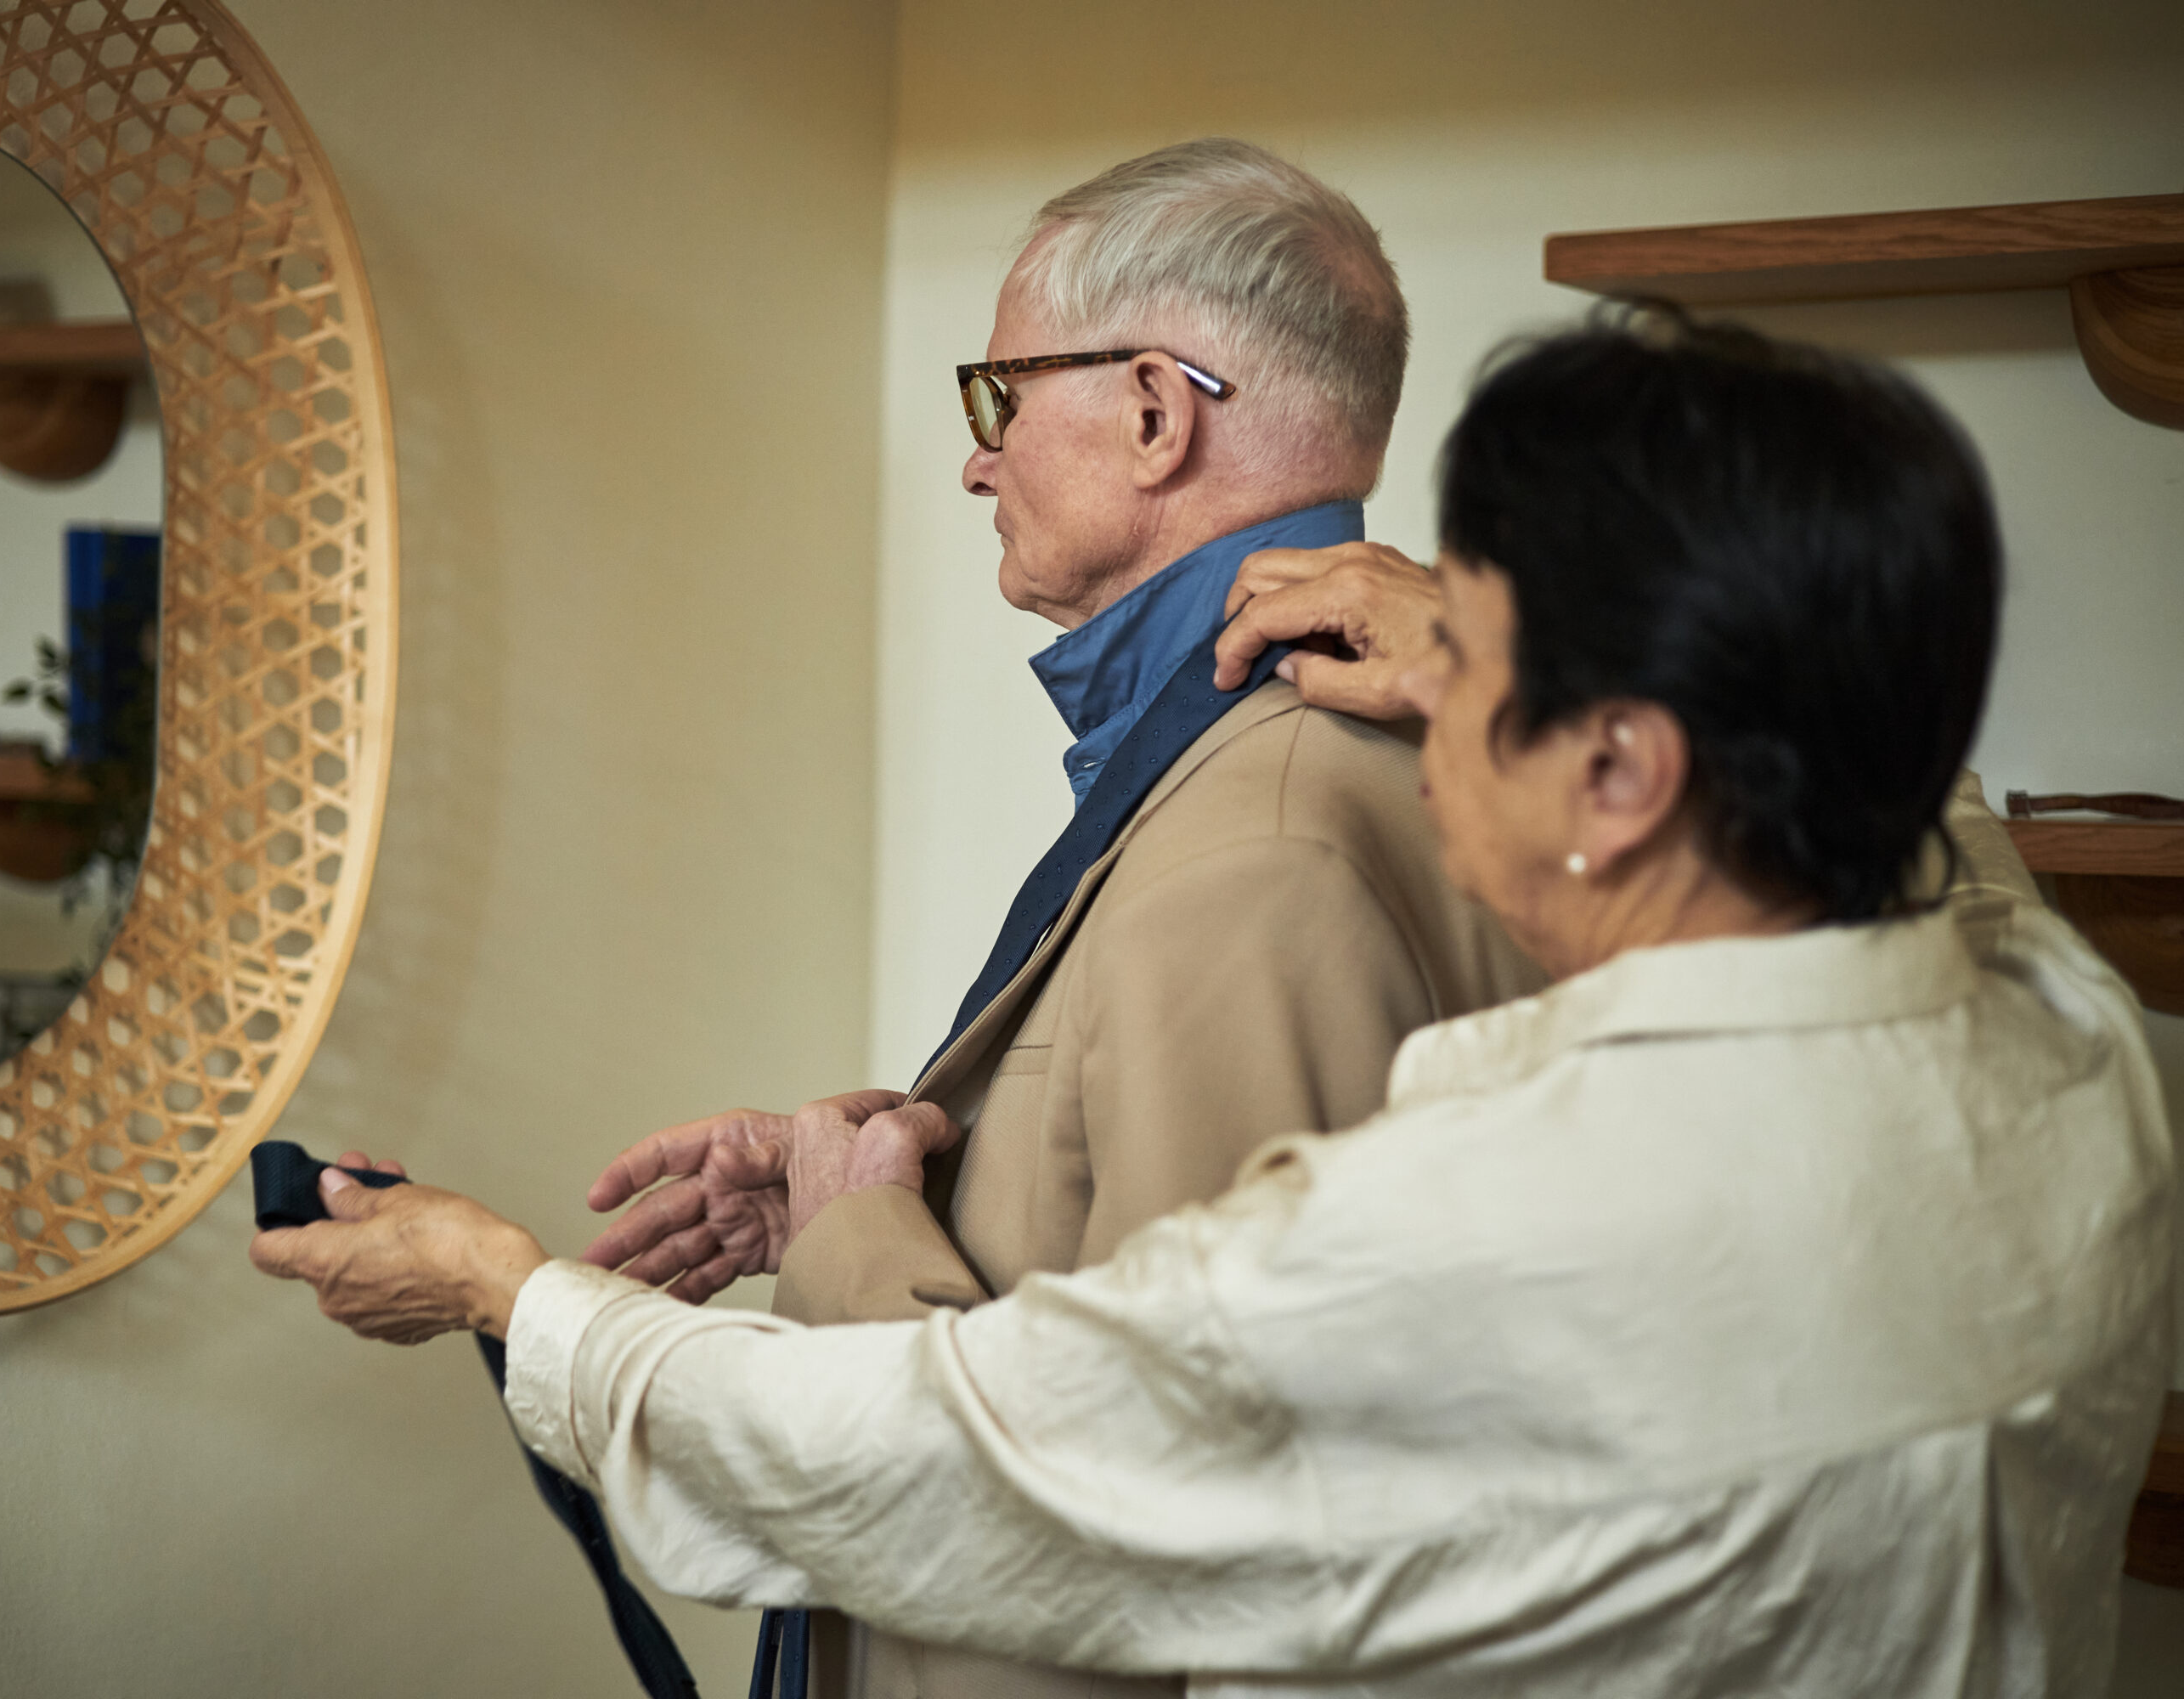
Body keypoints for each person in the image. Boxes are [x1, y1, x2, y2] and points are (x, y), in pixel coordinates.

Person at [257, 313, 2175, 1694]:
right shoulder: (2068, 1056)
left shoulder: (1484, 1219)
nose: (1425, 696)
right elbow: (1957, 836)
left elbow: (957, 1471)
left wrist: (509, 1294)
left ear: (1621, 769)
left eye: (1472, 648)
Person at [580, 136, 1539, 1697]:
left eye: (1000, 399)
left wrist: (850, 1238)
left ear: (1156, 414)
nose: (978, 459)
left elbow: (1187, 1503)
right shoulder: (1428, 749)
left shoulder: (1266, 834)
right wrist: (885, 1197)